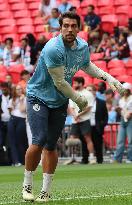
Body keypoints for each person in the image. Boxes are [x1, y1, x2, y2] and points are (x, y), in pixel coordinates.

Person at [22, 12, 125, 202]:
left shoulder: (83, 46)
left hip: (60, 101)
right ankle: (27, 184)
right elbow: (60, 82)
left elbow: (86, 66)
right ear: (60, 28)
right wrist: (79, 99)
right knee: (39, 140)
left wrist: (109, 78)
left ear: (79, 28)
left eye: (73, 26)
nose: (70, 29)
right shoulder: (53, 48)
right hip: (38, 97)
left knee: (51, 146)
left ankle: (46, 191)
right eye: (66, 26)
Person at [69, 77, 96, 164]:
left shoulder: (88, 94)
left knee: (88, 138)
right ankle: (73, 157)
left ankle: (92, 158)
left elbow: (88, 107)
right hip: (75, 120)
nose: (74, 85)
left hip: (85, 119)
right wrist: (75, 116)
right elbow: (71, 107)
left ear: (81, 83)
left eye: (76, 83)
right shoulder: (73, 93)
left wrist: (78, 115)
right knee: (72, 139)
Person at [87, 85, 108, 164]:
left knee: (98, 144)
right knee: (85, 143)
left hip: (97, 127)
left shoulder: (101, 102)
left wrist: (102, 124)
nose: (88, 92)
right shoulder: (83, 102)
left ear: (95, 91)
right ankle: (85, 160)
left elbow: (105, 115)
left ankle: (100, 160)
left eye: (90, 90)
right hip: (86, 126)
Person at [8, 85, 28, 166]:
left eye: (20, 89)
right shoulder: (12, 99)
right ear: (15, 91)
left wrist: (21, 101)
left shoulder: (25, 99)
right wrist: (15, 102)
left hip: (21, 119)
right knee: (12, 141)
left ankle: (21, 160)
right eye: (17, 89)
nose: (19, 90)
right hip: (13, 119)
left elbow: (22, 110)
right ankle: (15, 161)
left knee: (20, 141)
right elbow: (10, 110)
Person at [114, 83, 132, 163]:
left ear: (129, 90)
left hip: (131, 120)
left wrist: (130, 113)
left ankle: (130, 158)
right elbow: (120, 110)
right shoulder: (120, 100)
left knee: (131, 140)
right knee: (120, 141)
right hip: (123, 120)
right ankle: (118, 159)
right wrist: (118, 110)